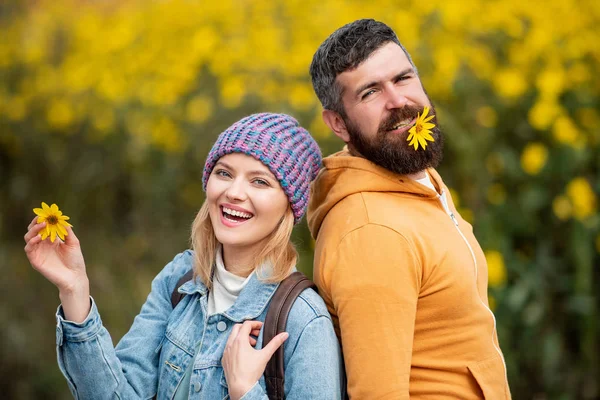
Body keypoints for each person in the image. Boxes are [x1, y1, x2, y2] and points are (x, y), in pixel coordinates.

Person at [24, 113, 344, 399]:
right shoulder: (180, 279)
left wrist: (245, 390)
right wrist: (74, 291)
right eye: (224, 173)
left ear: (289, 206)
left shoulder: (303, 319)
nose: (234, 192)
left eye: (259, 181)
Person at [307, 19, 511, 399]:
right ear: (338, 123)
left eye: (402, 78)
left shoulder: (412, 178)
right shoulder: (373, 233)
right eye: (370, 92)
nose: (398, 101)